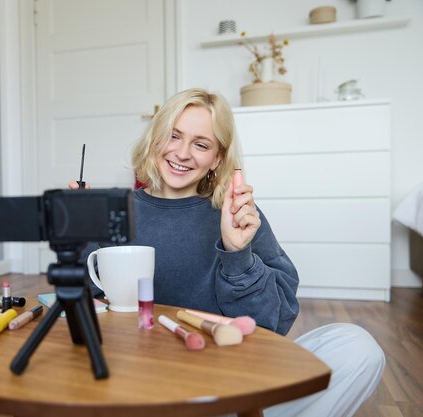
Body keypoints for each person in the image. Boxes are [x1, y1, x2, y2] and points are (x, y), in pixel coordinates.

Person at [69, 88, 385, 417]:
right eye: (173, 136)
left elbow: (273, 323)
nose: (183, 153)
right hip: (143, 381)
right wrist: (79, 237)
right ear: (155, 138)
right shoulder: (114, 210)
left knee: (358, 347)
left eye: (201, 144)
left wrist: (238, 254)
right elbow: (88, 311)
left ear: (217, 158)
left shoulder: (237, 214)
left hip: (231, 376)